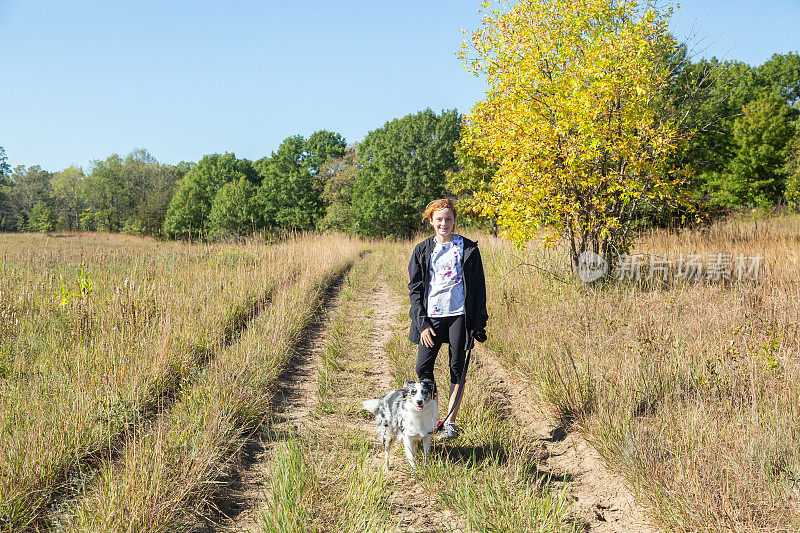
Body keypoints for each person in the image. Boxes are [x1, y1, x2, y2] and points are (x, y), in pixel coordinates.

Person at [408, 198, 488, 441]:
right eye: (439, 219)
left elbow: (479, 288)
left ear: (455, 221)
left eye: (449, 219)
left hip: (458, 317)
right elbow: (415, 289)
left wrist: (478, 323)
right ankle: (433, 420)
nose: (444, 223)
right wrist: (422, 324)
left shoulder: (468, 249)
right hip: (431, 318)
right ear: (431, 221)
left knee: (457, 369)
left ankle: (450, 423)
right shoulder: (422, 250)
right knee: (423, 368)